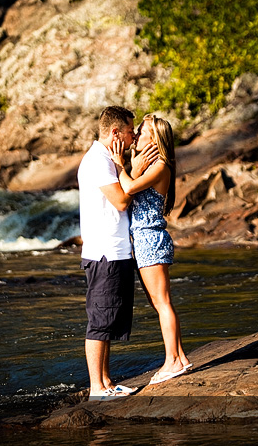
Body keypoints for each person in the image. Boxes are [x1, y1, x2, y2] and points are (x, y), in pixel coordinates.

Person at [77, 105, 156, 400]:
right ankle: (97, 388)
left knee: (108, 320)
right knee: (99, 321)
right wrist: (127, 165)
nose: (134, 136)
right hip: (105, 253)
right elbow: (121, 202)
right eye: (130, 131)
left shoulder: (106, 159)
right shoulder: (99, 161)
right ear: (114, 133)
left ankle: (106, 382)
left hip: (115, 251)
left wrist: (125, 166)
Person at [110, 113, 192, 385]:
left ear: (153, 138)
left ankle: (172, 361)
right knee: (160, 303)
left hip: (150, 239)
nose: (135, 136)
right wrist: (132, 164)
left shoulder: (160, 165)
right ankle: (179, 357)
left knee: (163, 302)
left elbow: (130, 187)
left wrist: (119, 164)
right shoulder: (150, 165)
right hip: (144, 240)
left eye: (141, 131)